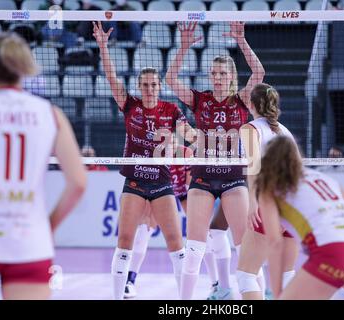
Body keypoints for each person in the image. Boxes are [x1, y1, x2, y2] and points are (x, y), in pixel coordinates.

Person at [0, 33, 86, 300]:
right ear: (25, 67)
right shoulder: (49, 113)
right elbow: (78, 183)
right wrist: (47, 226)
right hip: (29, 241)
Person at [166, 21, 265, 300]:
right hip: (203, 177)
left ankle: (258, 293)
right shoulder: (201, 100)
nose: (217, 77)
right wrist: (184, 46)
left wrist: (242, 41)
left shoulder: (243, 99)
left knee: (245, 246)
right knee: (195, 247)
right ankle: (184, 303)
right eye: (213, 73)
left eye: (222, 73)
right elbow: (171, 80)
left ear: (231, 76)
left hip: (234, 177)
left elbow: (259, 72)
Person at [93, 21, 192, 300]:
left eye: (153, 85)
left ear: (160, 86)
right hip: (135, 183)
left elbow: (190, 135)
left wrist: (195, 144)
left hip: (161, 184)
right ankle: (117, 295)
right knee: (124, 242)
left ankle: (185, 301)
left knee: (176, 243)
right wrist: (102, 46)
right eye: (145, 85)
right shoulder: (131, 105)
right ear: (139, 87)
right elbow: (112, 78)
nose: (149, 89)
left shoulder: (171, 110)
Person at [257, 136, 344, 300]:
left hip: (334, 251)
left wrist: (277, 294)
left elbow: (275, 243)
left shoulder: (270, 188)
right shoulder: (324, 178)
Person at [236, 83, 298, 300]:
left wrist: (253, 201)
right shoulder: (286, 131)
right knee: (287, 273)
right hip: (293, 205)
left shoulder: (250, 128)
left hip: (269, 201)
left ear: (251, 105)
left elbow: (253, 167)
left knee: (245, 274)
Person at [123, 163, 191, 299]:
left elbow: (190, 182)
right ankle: (130, 280)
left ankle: (215, 282)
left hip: (181, 191)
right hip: (156, 186)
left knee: (202, 233)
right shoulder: (152, 151)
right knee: (144, 228)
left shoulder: (184, 152)